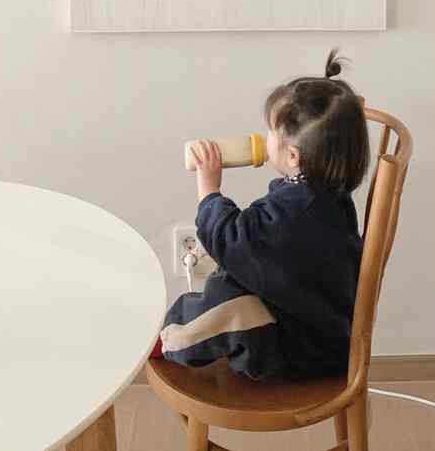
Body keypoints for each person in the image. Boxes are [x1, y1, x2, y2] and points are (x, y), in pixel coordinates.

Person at [150, 49, 370, 380]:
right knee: (232, 278)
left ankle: (172, 338)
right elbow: (260, 248)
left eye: (270, 133)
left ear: (293, 156)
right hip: (318, 324)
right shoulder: (326, 194)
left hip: (304, 351)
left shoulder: (295, 213)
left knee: (228, 301)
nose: (265, 140)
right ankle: (181, 321)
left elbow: (230, 239)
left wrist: (209, 189)